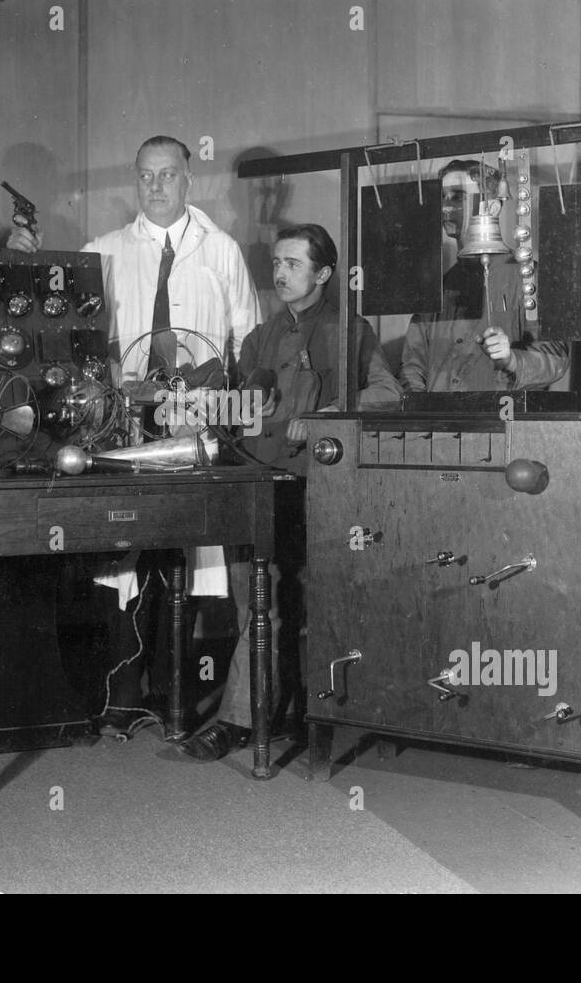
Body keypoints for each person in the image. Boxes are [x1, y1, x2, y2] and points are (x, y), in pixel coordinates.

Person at [10, 136, 261, 732]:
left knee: (188, 550)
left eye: (168, 175)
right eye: (146, 175)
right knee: (125, 548)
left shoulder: (220, 250)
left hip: (195, 420)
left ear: (189, 181)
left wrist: (231, 414)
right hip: (122, 421)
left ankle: (175, 695)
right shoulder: (104, 251)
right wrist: (23, 260)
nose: (156, 186)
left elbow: (249, 342)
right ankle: (123, 692)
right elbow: (54, 317)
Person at [179, 223, 400, 760]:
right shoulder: (261, 336)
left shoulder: (349, 331)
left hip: (312, 488)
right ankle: (257, 716)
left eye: (293, 264)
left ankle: (253, 720)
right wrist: (211, 404)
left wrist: (327, 416)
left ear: (323, 274)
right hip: (256, 481)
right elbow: (238, 405)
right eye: (277, 263)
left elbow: (388, 392)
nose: (279, 273)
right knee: (256, 607)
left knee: (290, 606)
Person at [398, 159, 569, 392]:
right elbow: (412, 365)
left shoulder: (529, 277)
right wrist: (422, 405)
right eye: (442, 197)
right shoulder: (440, 286)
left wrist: (511, 359)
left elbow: (556, 359)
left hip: (499, 414)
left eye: (458, 197)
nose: (445, 208)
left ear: (493, 207)